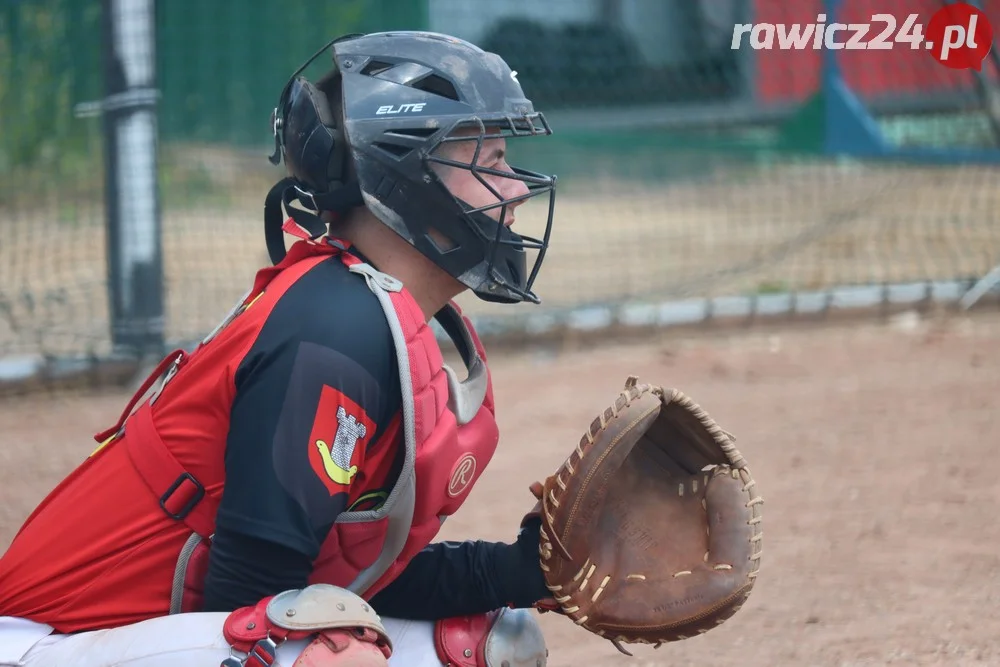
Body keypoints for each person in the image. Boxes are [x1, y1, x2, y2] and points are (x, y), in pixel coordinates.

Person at [0, 30, 559, 667]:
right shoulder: (336, 328)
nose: (515, 189)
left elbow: (334, 572)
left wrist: (518, 571)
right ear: (404, 174)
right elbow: (256, 602)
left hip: (160, 635)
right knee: (330, 657)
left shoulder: (374, 313)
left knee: (491, 644)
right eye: (486, 162)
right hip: (47, 643)